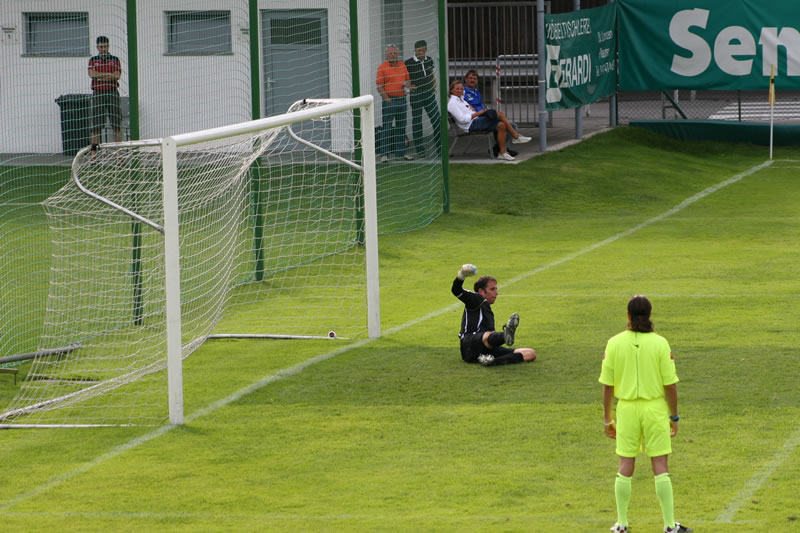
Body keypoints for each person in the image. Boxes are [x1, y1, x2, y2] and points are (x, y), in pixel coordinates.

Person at [599, 295, 693, 533]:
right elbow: (670, 385)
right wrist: (674, 416)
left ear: (628, 316)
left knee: (625, 464)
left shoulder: (614, 343)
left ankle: (621, 524)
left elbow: (607, 385)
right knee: (660, 463)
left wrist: (608, 418)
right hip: (654, 409)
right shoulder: (660, 343)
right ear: (650, 315)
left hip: (627, 409)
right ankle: (670, 526)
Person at [451, 264, 536, 366]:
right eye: (492, 289)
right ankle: (505, 335)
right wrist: (461, 275)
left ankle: (492, 361)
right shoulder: (476, 298)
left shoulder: (486, 307)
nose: (496, 293)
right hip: (470, 344)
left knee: (530, 353)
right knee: (487, 335)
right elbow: (456, 290)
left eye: (496, 289)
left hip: (485, 348)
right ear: (481, 291)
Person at [447, 80, 530, 162]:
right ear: (451, 90)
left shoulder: (461, 99)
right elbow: (462, 119)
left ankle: (502, 153)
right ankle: (516, 136)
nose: (460, 91)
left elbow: (467, 104)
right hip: (471, 125)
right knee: (500, 114)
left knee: (501, 125)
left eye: (461, 89)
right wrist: (478, 113)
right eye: (457, 89)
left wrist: (472, 109)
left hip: (476, 120)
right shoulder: (453, 103)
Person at [463, 69, 519, 158]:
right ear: (465, 79)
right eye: (470, 78)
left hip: (483, 115)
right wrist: (467, 106)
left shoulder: (476, 91)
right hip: (475, 119)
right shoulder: (462, 91)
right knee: (504, 120)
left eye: (475, 79)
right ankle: (509, 143)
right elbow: (460, 103)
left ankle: (500, 149)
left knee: (511, 125)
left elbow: (480, 105)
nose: (472, 80)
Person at [376, 44, 412, 163]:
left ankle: (400, 153)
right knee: (386, 127)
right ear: (386, 55)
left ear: (398, 54)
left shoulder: (402, 65)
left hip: (402, 100)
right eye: (390, 53)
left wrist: (407, 86)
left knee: (401, 127)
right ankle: (384, 154)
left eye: (395, 53)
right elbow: (379, 86)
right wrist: (387, 99)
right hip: (390, 101)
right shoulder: (382, 67)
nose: (393, 55)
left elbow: (408, 80)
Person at [404, 40, 440, 158]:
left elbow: (431, 74)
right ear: (415, 50)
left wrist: (434, 87)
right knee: (417, 121)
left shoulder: (429, 60)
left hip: (429, 94)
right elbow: (404, 79)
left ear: (425, 50)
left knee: (436, 119)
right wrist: (409, 88)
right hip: (416, 95)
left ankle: (439, 148)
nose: (420, 52)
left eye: (422, 50)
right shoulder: (408, 63)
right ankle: (420, 149)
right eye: (418, 50)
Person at [88, 36, 122, 155]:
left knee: (116, 124)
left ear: (108, 46)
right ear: (97, 47)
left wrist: (101, 76)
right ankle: (94, 155)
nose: (104, 49)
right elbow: (92, 74)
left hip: (112, 92)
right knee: (96, 125)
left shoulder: (115, 59)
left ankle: (119, 154)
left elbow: (117, 75)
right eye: (101, 47)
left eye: (106, 46)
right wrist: (108, 74)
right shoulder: (93, 60)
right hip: (98, 93)